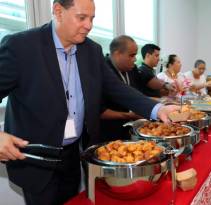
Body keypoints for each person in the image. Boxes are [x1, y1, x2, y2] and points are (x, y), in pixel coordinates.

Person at [0, 0, 177, 204]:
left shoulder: (91, 50)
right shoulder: (21, 46)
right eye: (81, 17)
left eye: (92, 18)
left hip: (73, 155)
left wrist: (157, 108)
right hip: (36, 158)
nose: (89, 25)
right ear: (58, 11)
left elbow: (116, 88)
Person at [100, 35, 143, 142]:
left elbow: (136, 94)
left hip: (127, 130)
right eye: (132, 55)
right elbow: (99, 111)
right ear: (117, 54)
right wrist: (128, 115)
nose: (135, 59)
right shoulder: (101, 70)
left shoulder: (132, 69)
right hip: (106, 134)